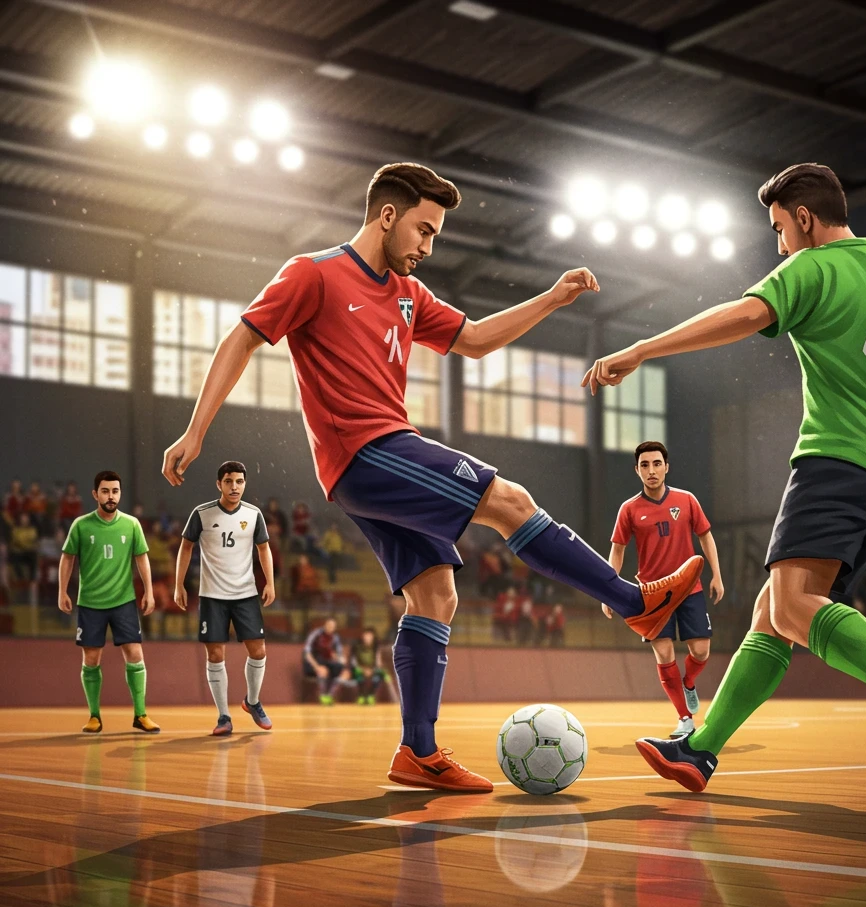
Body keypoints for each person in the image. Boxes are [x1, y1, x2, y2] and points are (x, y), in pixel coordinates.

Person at [162, 161, 702, 793]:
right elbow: (242, 339)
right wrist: (196, 431)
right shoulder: (313, 273)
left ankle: (417, 753)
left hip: (375, 462)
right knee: (510, 500)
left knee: (435, 595)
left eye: (436, 235)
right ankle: (635, 603)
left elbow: (475, 340)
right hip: (366, 452)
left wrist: (553, 299)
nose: (428, 245)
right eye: (424, 230)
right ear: (387, 215)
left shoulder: (409, 295)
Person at [584, 161, 866, 792]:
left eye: (779, 230)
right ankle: (700, 751)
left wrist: (641, 350)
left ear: (805, 218)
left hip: (837, 461)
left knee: (791, 605)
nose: (779, 245)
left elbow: (741, 315)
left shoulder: (810, 267)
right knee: (774, 610)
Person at [604, 441, 725, 739]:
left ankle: (689, 682)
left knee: (701, 650)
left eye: (657, 463)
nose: (651, 470)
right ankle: (684, 718)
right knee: (664, 652)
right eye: (644, 465)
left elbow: (706, 537)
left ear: (666, 467)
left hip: (689, 588)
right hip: (652, 595)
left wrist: (717, 576)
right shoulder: (629, 509)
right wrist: (608, 589)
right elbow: (617, 550)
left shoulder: (687, 500)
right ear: (637, 470)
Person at [175, 461, 275, 736]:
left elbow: (264, 548)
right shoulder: (202, 513)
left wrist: (270, 582)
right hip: (212, 596)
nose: (234, 487)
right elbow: (185, 547)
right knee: (216, 654)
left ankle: (252, 701)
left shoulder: (254, 514)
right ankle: (223, 717)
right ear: (219, 484)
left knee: (259, 651)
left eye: (239, 481)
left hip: (245, 594)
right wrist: (178, 585)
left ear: (245, 484)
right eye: (229, 481)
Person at [57, 470, 159, 734]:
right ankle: (94, 716)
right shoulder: (81, 525)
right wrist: (62, 591)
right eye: (105, 491)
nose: (110, 496)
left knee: (135, 654)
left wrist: (148, 591)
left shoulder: (132, 524)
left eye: (115, 491)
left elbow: (142, 558)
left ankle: (140, 714)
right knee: (91, 658)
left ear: (120, 494)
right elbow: (67, 557)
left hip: (123, 601)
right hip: (90, 602)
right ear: (95, 494)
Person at [303, 618, 355, 704]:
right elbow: (307, 653)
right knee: (323, 670)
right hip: (313, 663)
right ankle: (322, 695)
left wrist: (341, 659)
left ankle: (330, 695)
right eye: (329, 625)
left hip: (328, 662)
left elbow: (339, 654)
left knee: (345, 673)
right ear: (325, 625)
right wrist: (317, 667)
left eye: (333, 626)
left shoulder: (335, 637)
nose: (330, 628)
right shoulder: (316, 634)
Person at [351, 626, 391, 705]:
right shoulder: (356, 646)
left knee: (379, 675)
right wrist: (363, 669)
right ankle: (361, 696)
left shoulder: (376, 647)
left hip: (372, 669)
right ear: (363, 636)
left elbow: (378, 662)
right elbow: (353, 662)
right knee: (357, 673)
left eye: (370, 636)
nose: (368, 638)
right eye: (366, 636)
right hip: (359, 668)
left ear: (373, 637)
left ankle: (370, 695)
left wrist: (372, 670)